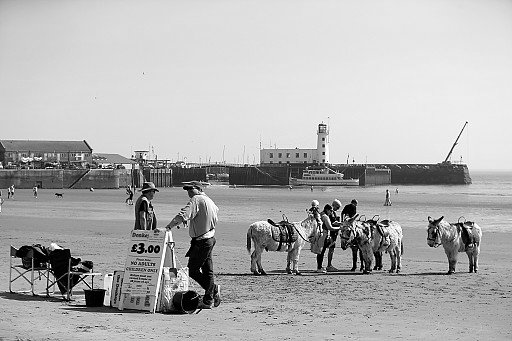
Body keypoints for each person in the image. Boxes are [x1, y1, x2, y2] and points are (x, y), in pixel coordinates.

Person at [164, 181, 221, 310]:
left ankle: (212, 290)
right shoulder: (210, 201)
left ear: (198, 189)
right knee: (208, 271)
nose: (188, 192)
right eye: (187, 190)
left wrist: (169, 227)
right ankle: (208, 300)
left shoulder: (196, 199)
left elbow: (183, 214)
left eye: (190, 189)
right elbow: (212, 217)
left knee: (193, 269)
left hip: (202, 241)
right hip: (210, 238)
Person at [316, 204, 340, 273]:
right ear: (327, 210)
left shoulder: (320, 214)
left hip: (319, 234)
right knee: (322, 252)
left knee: (320, 252)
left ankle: (319, 266)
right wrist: (340, 228)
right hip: (323, 235)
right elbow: (330, 228)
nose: (331, 212)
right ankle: (319, 268)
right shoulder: (325, 217)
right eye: (330, 211)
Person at [326, 199, 342, 272]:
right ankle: (329, 265)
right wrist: (341, 224)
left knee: (330, 250)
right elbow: (333, 223)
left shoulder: (332, 213)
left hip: (333, 234)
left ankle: (328, 265)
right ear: (334, 205)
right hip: (331, 234)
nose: (337, 209)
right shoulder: (332, 213)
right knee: (331, 250)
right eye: (337, 207)